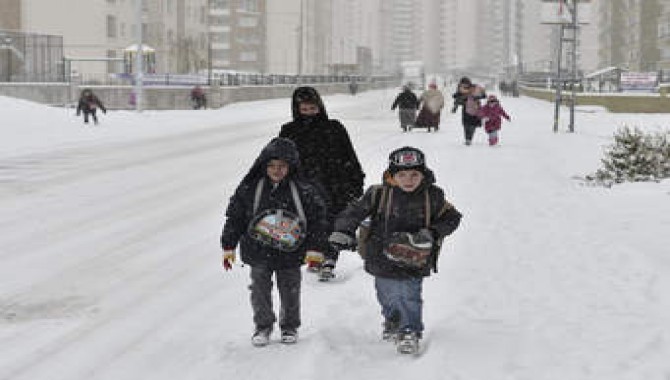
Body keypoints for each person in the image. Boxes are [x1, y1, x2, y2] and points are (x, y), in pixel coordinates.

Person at [327, 146, 462, 354]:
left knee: (409, 295)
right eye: (402, 175)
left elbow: (452, 217)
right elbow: (354, 212)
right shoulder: (378, 194)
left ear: (423, 174)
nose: (409, 180)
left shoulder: (433, 196)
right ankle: (393, 320)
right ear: (392, 175)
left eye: (415, 174)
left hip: (415, 256)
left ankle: (409, 331)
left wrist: (433, 232)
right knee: (386, 294)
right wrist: (343, 230)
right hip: (381, 256)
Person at [220, 137, 328, 346]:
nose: (276, 170)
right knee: (259, 289)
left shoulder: (304, 189)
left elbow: (317, 220)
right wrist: (228, 245)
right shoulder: (250, 188)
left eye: (282, 166)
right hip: (258, 249)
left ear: (291, 166)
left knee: (290, 289)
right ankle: (263, 326)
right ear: (263, 165)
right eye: (271, 165)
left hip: (291, 251)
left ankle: (289, 326)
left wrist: (315, 249)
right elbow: (236, 217)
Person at [279, 86, 365, 281]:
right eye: (305, 109)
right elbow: (281, 159)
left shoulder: (334, 127)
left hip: (335, 183)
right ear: (297, 109)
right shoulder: (289, 130)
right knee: (311, 222)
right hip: (303, 184)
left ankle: (330, 259)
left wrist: (356, 180)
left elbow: (348, 155)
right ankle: (315, 256)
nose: (309, 113)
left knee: (333, 221)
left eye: (313, 108)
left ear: (320, 106)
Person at [452, 77, 486, 145]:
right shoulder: (460, 89)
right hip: (465, 109)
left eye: (465, 83)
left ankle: (469, 139)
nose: (464, 85)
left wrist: (477, 97)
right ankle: (467, 139)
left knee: (472, 125)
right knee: (466, 125)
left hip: (475, 108)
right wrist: (455, 107)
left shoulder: (475, 88)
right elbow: (457, 98)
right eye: (462, 84)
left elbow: (484, 95)